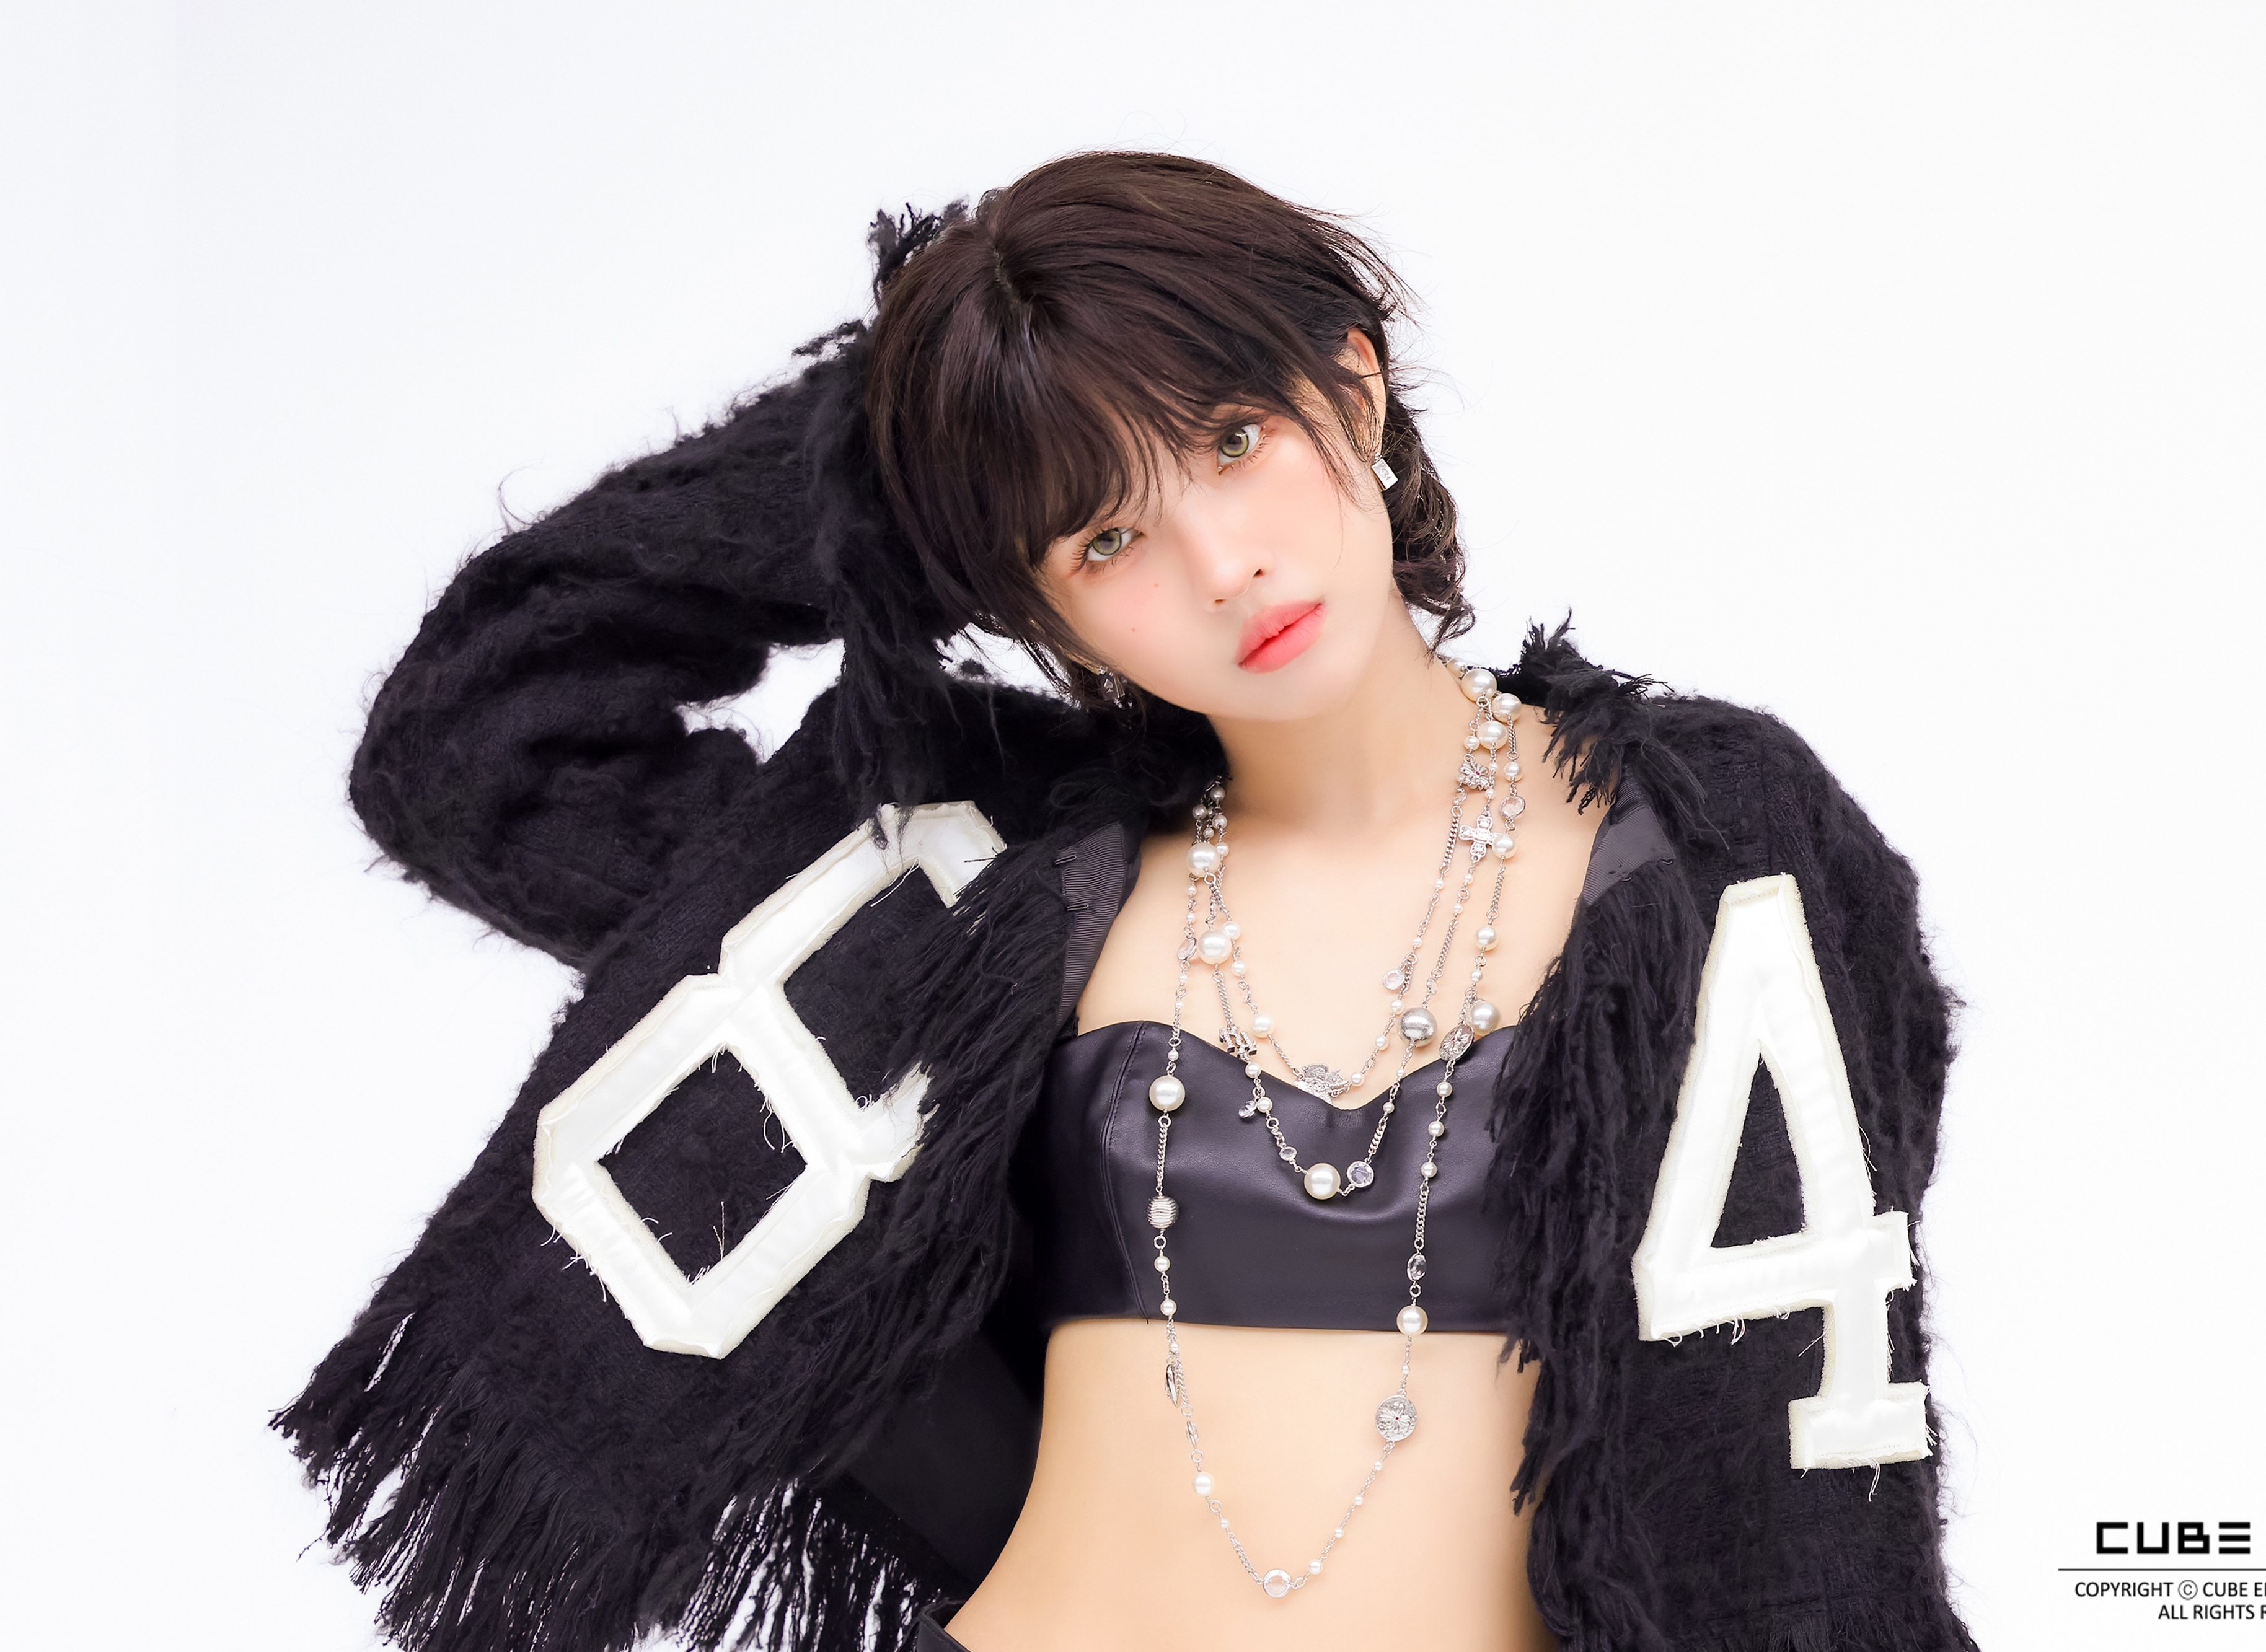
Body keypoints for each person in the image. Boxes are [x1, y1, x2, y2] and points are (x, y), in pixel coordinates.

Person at [281, 152, 1977, 1652]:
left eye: (1235, 440)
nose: (1223, 565)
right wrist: (927, 420)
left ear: (1355, 387)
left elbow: (1814, 1347)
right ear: (1038, 611)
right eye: (1103, 540)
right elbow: (482, 738)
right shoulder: (983, 883)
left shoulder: (1707, 844)